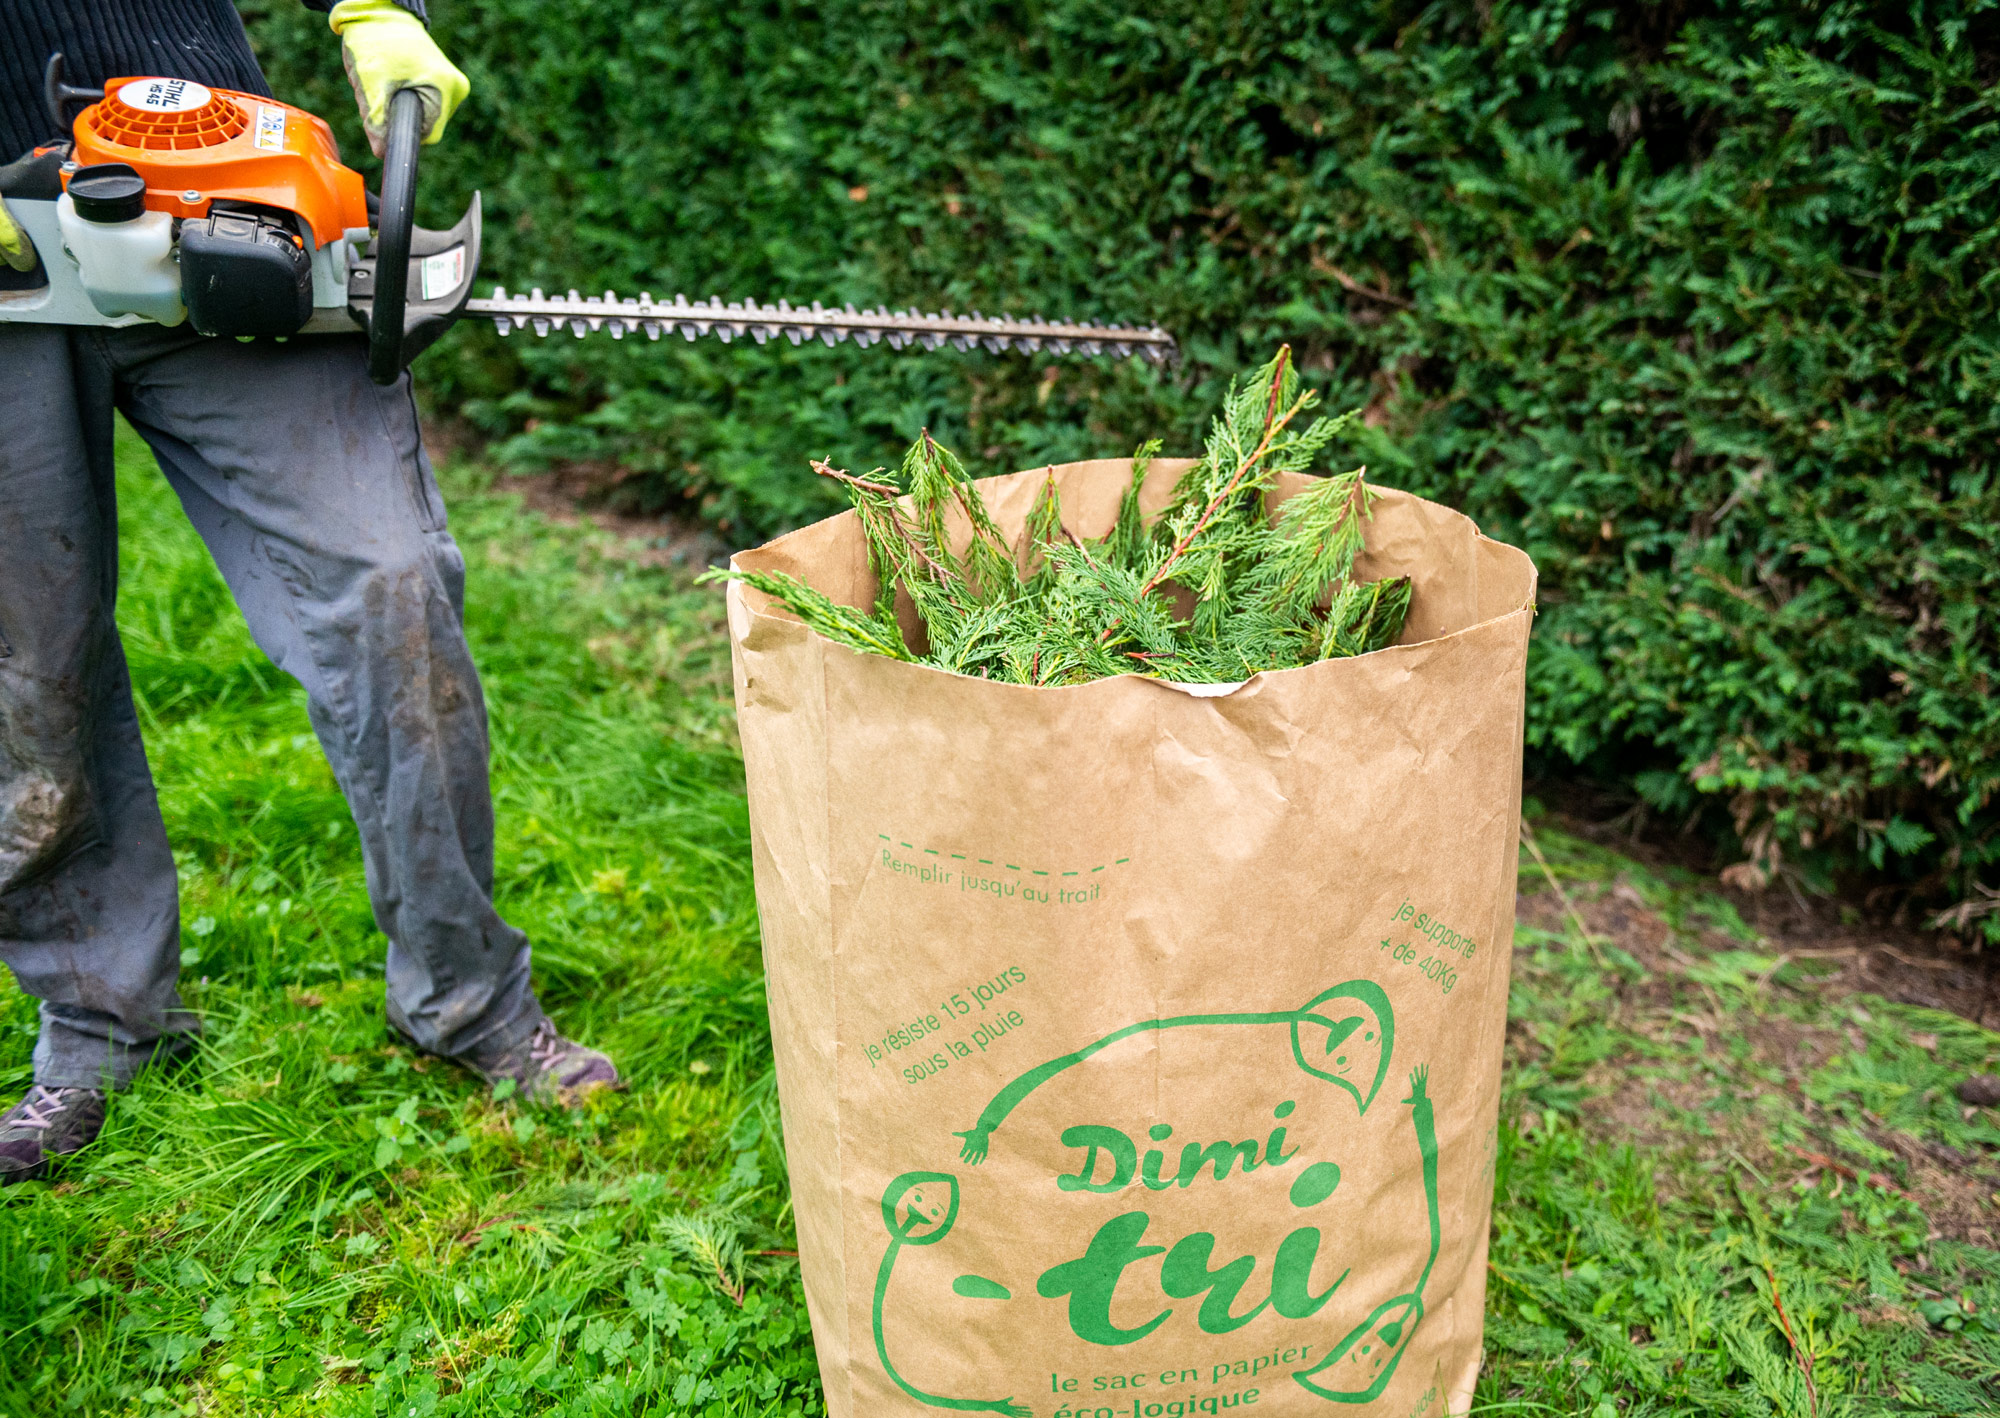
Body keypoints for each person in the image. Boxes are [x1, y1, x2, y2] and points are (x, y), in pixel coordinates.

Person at [0, 1, 618, 1184]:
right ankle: (96, 1024)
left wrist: (384, 7)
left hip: (204, 189)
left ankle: (467, 996)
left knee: (385, 578)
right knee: (23, 661)